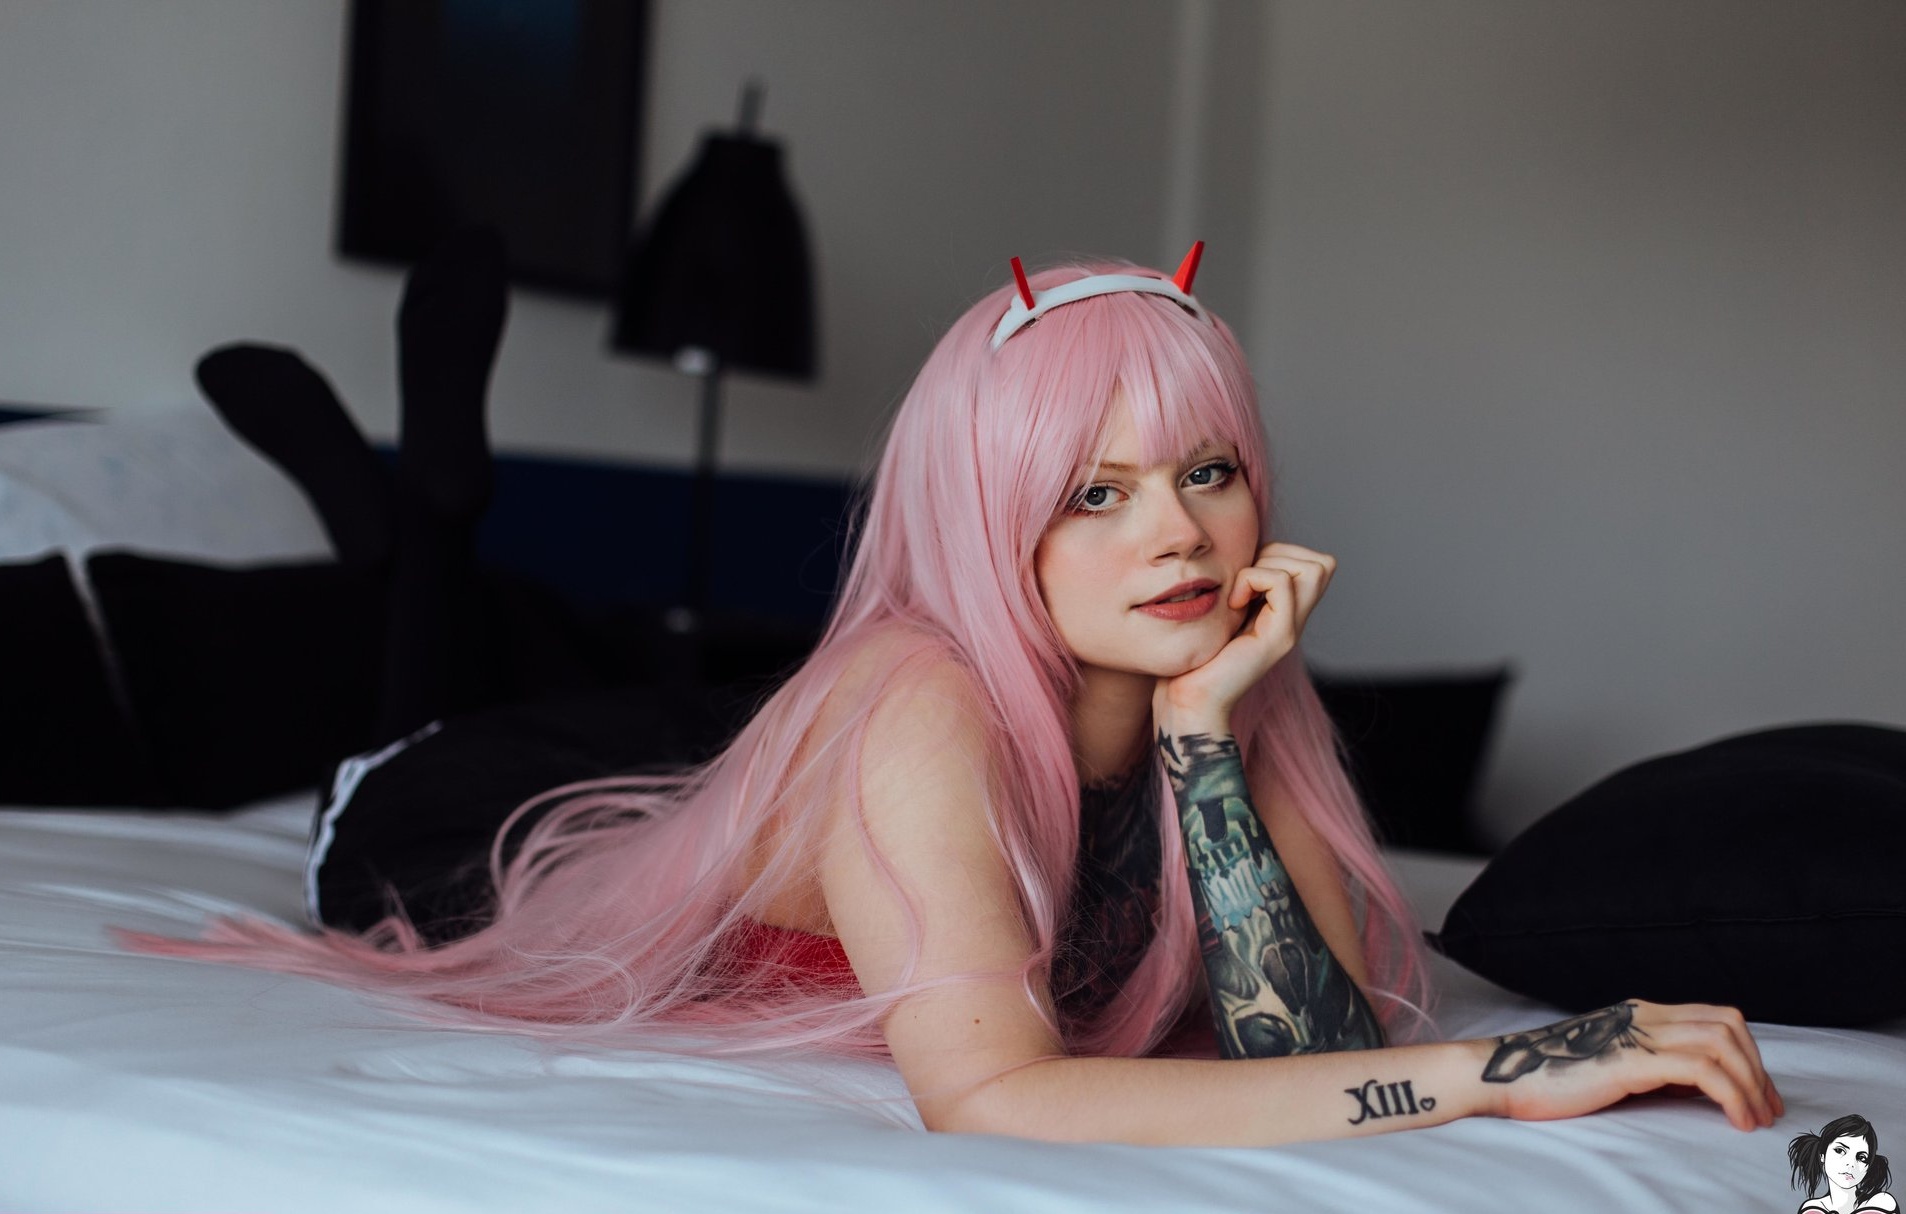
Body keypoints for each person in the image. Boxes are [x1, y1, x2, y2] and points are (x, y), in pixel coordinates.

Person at [127, 242, 1784, 1147]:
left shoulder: (1220, 682)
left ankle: (416, 523)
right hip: (458, 821)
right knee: (417, 736)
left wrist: (1203, 735)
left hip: (739, 766)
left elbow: (1324, 1047)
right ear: (993, 516)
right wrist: (1505, 1067)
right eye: (1093, 491)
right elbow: (989, 1093)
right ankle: (413, 526)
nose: (1179, 533)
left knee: (687, 709)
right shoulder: (916, 703)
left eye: (1207, 471)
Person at [1791, 1115, 1895, 1213]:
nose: (1851, 1164)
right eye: (1840, 1150)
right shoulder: (1812, 1209)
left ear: (1868, 1167)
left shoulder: (1881, 1203)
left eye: (1861, 1158)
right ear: (1822, 1155)